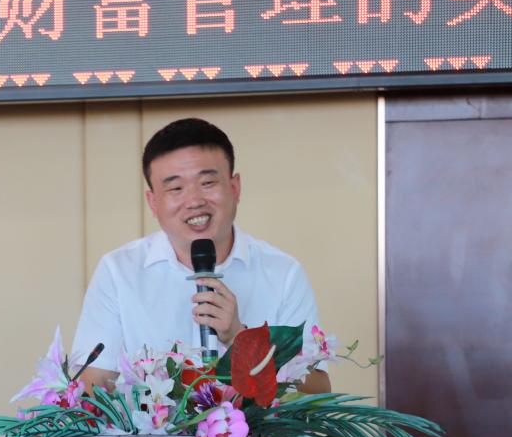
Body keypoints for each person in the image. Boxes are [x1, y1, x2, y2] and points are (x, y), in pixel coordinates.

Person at [72, 117, 331, 395]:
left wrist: (241, 339)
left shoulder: (283, 273)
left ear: (235, 188)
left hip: (252, 426)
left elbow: (317, 395)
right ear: (153, 202)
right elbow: (91, 388)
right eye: (176, 188)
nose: (194, 200)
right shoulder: (119, 271)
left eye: (207, 182)